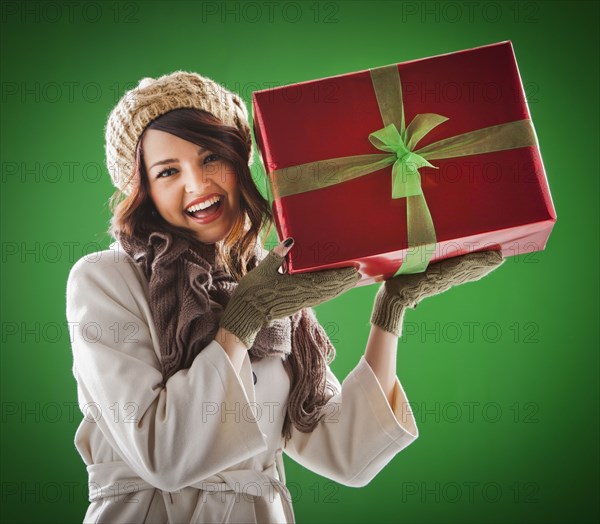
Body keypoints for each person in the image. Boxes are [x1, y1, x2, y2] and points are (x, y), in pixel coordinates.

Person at [65, 71, 504, 523]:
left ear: (240, 161)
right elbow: (163, 457)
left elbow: (343, 454)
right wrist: (244, 317)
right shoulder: (105, 279)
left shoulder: (263, 279)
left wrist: (392, 307)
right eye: (168, 172)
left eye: (212, 157)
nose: (197, 185)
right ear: (146, 191)